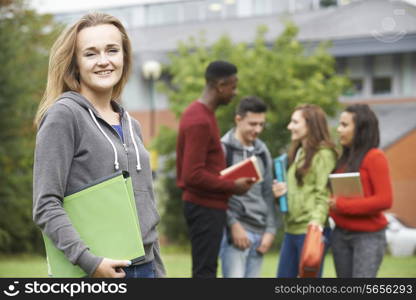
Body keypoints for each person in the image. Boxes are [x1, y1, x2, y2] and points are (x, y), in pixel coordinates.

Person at [33, 12, 165, 278]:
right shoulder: (64, 116)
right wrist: (89, 262)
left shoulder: (131, 124)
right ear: (75, 63)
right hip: (96, 271)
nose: (104, 61)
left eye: (112, 50)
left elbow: (144, 207)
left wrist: (159, 272)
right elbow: (46, 203)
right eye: (90, 54)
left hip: (146, 269)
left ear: (124, 56)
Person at [176, 60, 255, 278]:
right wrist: (233, 186)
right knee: (205, 271)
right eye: (233, 86)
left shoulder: (203, 114)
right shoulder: (199, 119)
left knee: (208, 269)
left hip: (210, 206)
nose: (235, 92)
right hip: (204, 207)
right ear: (220, 85)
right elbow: (192, 175)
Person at [272, 104, 337, 278]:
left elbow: (323, 193)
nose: (289, 126)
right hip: (291, 229)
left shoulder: (324, 154)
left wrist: (316, 224)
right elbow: (300, 191)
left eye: (295, 122)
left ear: (310, 125)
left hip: (310, 230)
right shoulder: (299, 152)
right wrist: (280, 194)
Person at [329, 104, 393, 278]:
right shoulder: (342, 160)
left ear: (361, 129)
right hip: (340, 235)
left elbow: (384, 200)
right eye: (339, 124)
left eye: (344, 125)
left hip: (368, 237)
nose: (338, 129)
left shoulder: (375, 157)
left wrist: (341, 204)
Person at [219, 96, 278, 278]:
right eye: (253, 124)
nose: (258, 129)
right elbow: (217, 194)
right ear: (238, 119)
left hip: (260, 233)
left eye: (261, 124)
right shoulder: (223, 149)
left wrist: (270, 230)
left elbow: (267, 192)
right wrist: (233, 225)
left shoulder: (262, 151)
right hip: (235, 234)